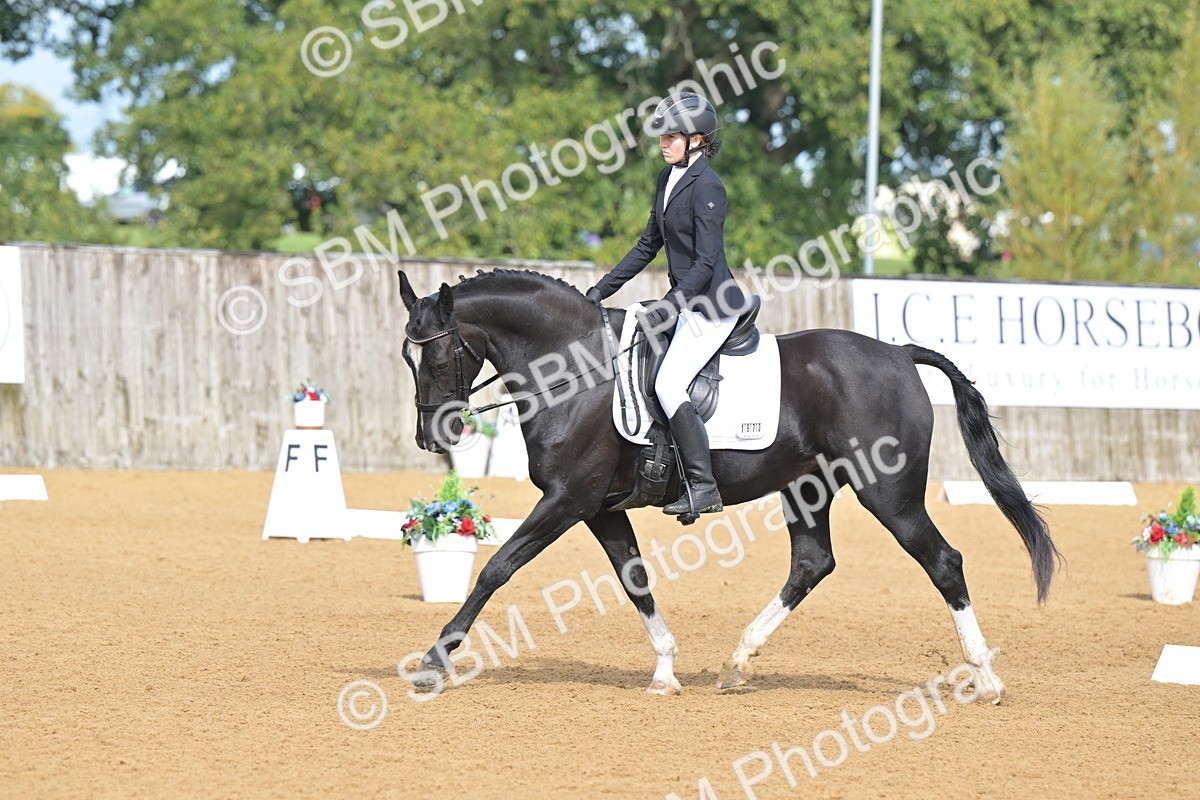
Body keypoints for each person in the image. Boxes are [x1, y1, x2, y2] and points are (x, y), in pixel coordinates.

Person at [586, 91, 748, 517]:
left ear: (697, 140)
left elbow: (706, 261)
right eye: (662, 135)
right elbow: (647, 246)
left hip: (713, 305)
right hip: (687, 302)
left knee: (668, 384)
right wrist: (601, 290)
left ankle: (703, 485)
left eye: (672, 136)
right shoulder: (667, 178)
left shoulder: (710, 186)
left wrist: (673, 305)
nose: (663, 142)